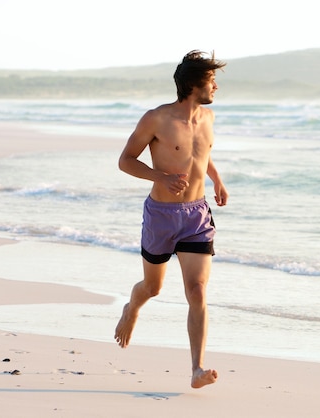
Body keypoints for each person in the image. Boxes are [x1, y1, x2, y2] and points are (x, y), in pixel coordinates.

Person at [114, 50, 228, 389]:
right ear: (194, 84)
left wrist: (217, 180)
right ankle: (131, 308)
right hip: (162, 216)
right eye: (211, 80)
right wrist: (160, 177)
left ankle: (197, 369)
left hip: (196, 215)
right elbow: (125, 160)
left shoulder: (208, 118)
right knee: (153, 288)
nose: (216, 87)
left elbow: (200, 155)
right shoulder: (156, 119)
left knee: (197, 291)